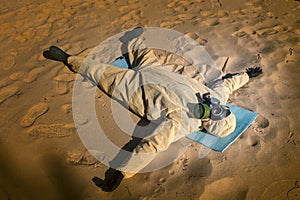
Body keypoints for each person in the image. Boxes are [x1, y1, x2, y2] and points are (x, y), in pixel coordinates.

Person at [43, 29, 262, 192]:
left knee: (99, 73)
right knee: (143, 53)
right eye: (222, 110)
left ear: (208, 123)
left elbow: (153, 144)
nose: (215, 108)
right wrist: (246, 76)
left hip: (132, 86)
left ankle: (67, 59)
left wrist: (122, 171)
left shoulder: (182, 123)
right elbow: (227, 86)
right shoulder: (214, 97)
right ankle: (133, 39)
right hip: (155, 70)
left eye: (215, 115)